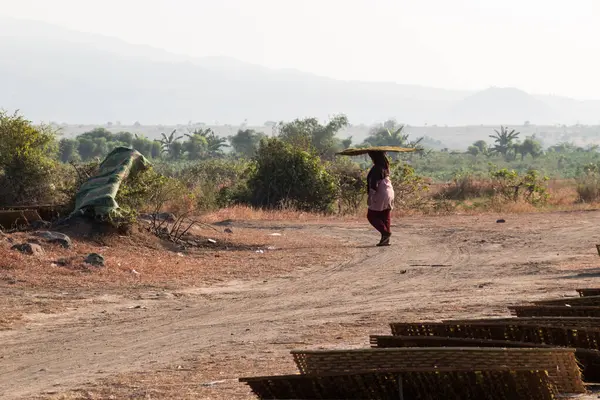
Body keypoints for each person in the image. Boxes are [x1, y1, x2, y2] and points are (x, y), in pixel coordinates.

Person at [366, 151, 394, 246]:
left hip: (381, 192)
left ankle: (385, 232)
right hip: (389, 192)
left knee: (371, 215)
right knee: (385, 216)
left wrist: (370, 196)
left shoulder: (376, 168)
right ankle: (385, 239)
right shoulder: (385, 167)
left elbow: (374, 184)